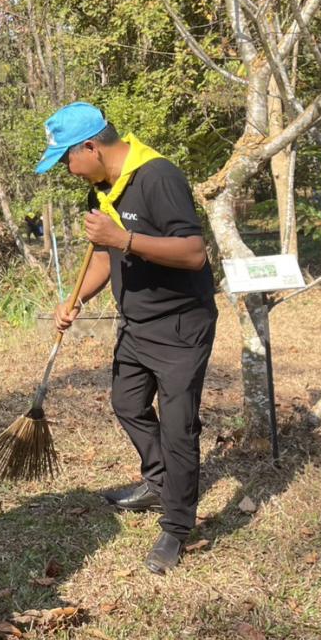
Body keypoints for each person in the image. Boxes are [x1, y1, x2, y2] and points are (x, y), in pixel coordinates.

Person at [37, 103, 217, 576]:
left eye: (66, 160)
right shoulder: (102, 189)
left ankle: (177, 526)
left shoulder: (158, 177)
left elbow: (194, 253)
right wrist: (76, 298)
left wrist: (124, 240)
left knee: (179, 427)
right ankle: (160, 481)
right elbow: (103, 256)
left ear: (90, 147)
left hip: (180, 325)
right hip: (136, 323)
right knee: (127, 402)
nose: (68, 171)